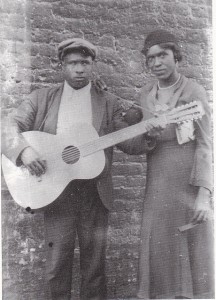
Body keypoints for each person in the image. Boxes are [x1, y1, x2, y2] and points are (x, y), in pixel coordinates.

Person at [1, 38, 148, 300]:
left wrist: (150, 132)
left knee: (95, 266)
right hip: (56, 193)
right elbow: (6, 126)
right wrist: (24, 150)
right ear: (62, 66)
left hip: (95, 193)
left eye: (85, 63)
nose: (79, 69)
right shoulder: (42, 98)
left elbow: (128, 142)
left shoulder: (108, 101)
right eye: (72, 63)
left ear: (92, 65)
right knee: (57, 264)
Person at [127, 29, 214, 299]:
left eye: (162, 55)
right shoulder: (145, 95)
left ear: (176, 57)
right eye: (150, 58)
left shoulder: (193, 91)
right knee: (158, 246)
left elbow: (205, 144)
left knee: (191, 252)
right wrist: (148, 137)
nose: (156, 63)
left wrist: (203, 194)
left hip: (187, 183)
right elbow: (138, 144)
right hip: (158, 183)